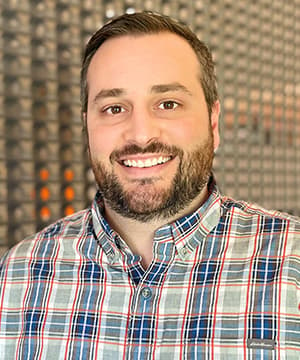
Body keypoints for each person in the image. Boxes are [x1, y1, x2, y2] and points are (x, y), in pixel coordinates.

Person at [0, 11, 299, 359]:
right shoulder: (16, 278)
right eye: (114, 108)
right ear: (87, 128)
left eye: (168, 104)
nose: (141, 134)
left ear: (213, 123)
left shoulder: (292, 262)